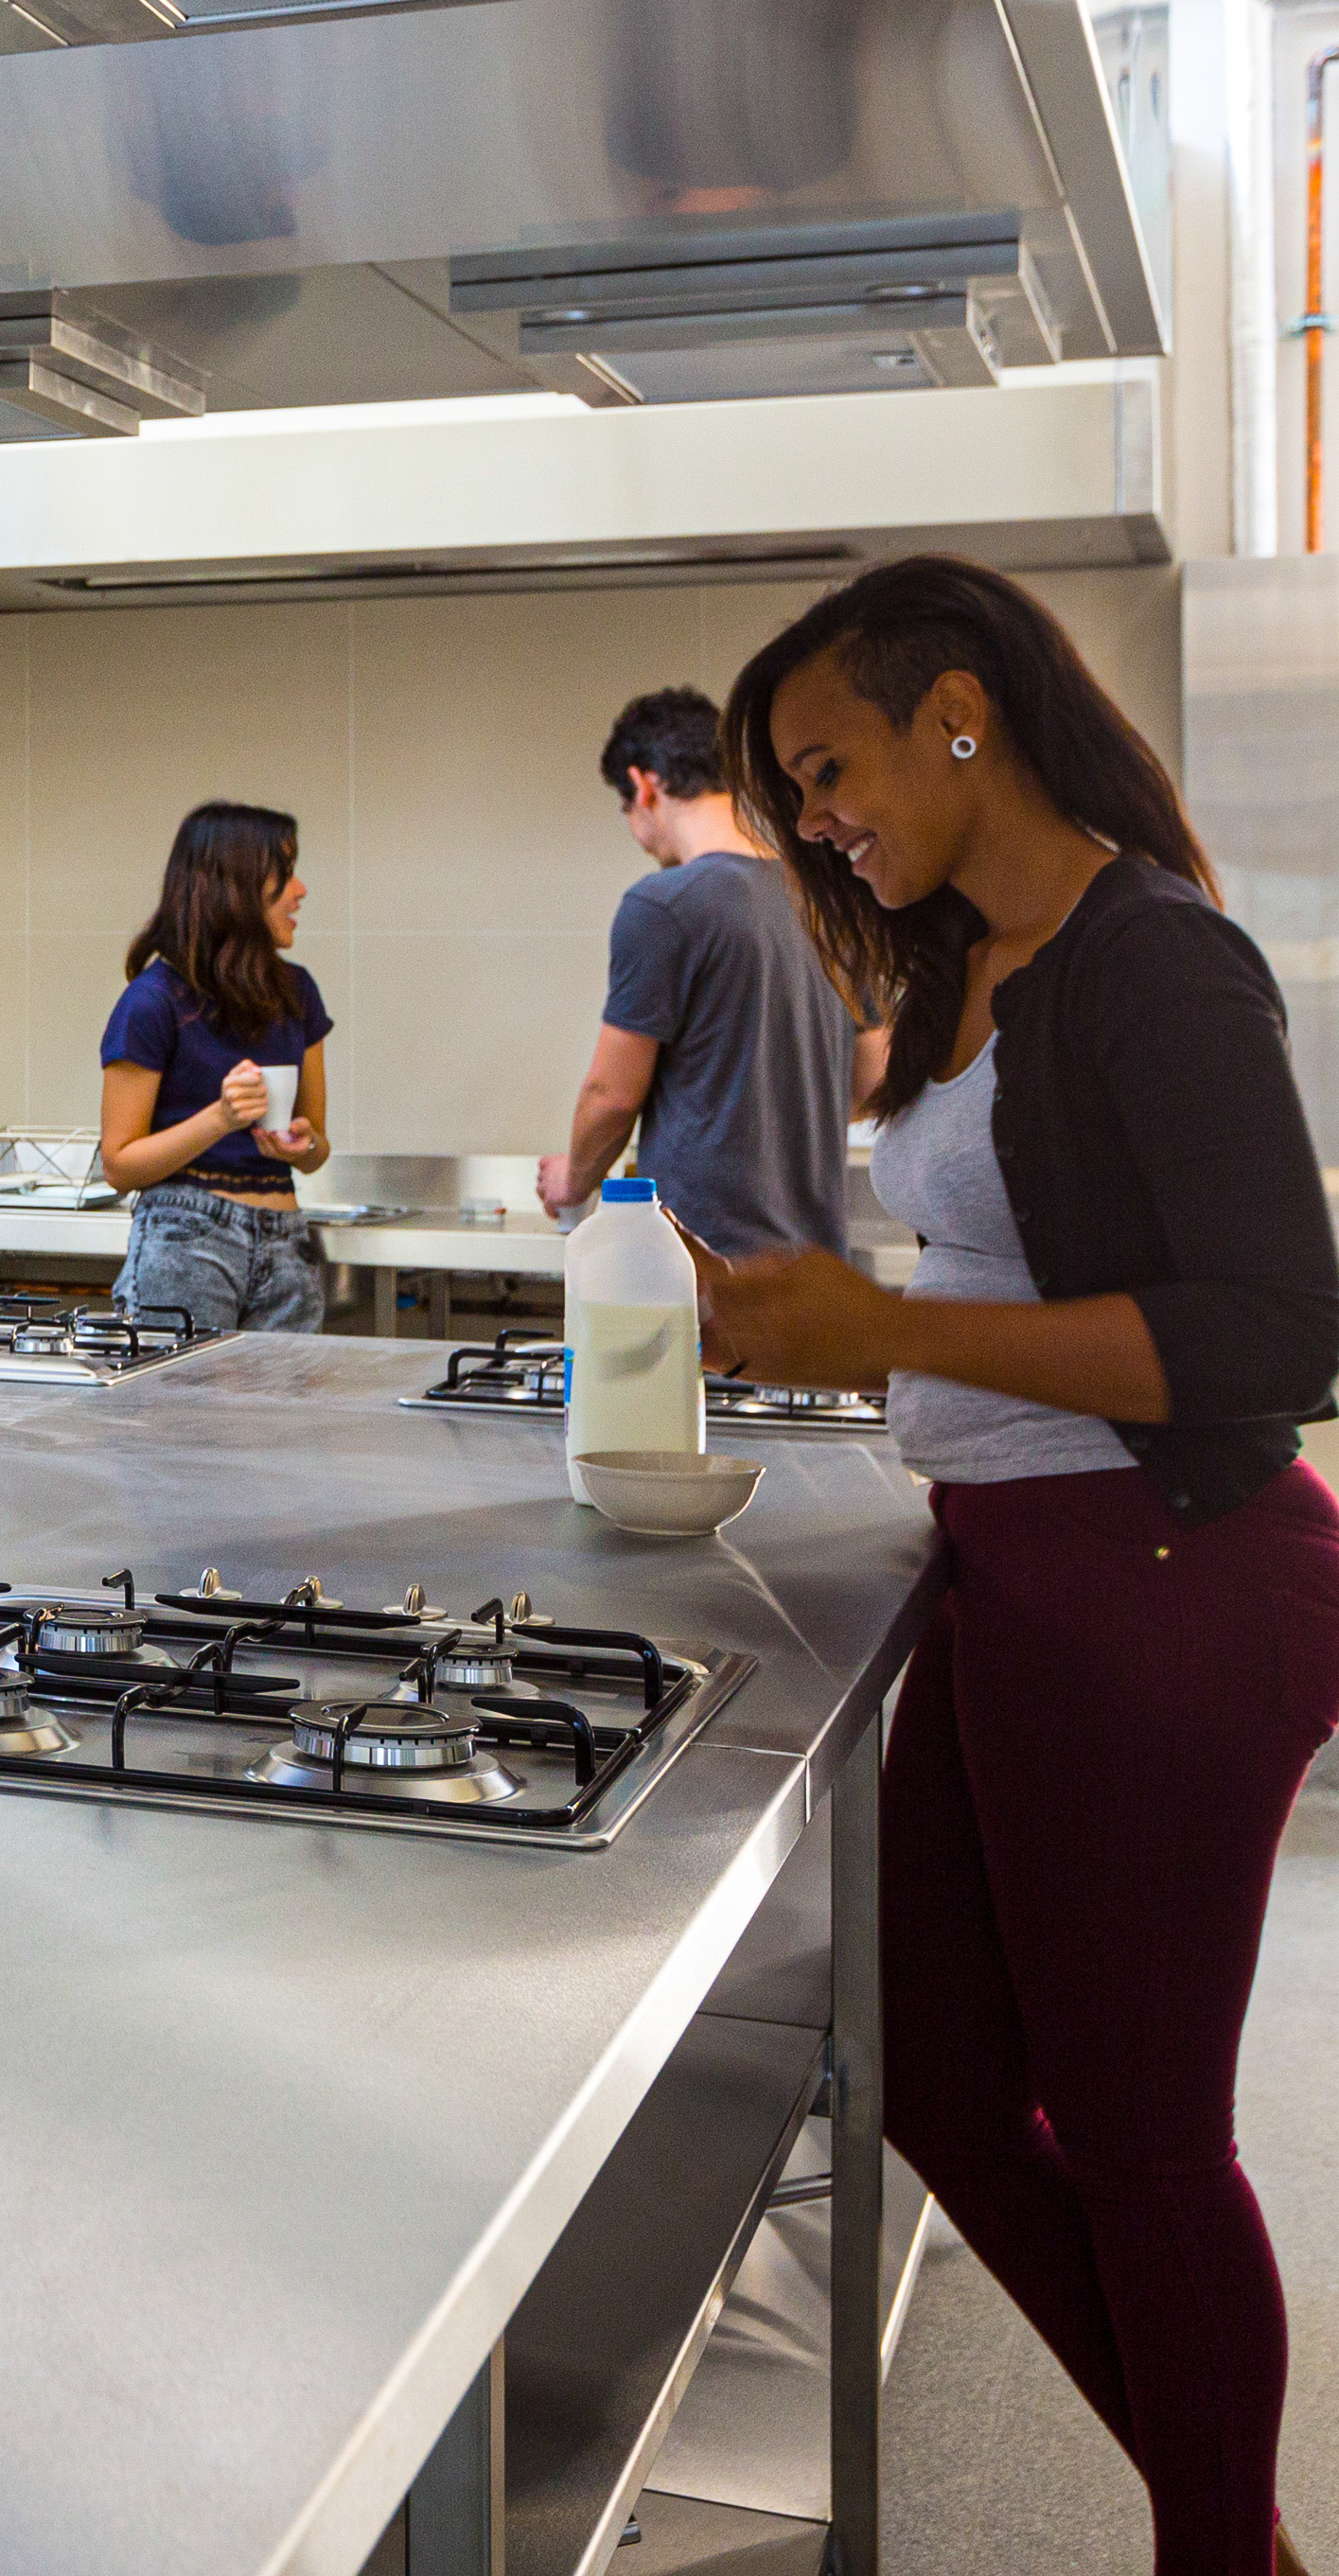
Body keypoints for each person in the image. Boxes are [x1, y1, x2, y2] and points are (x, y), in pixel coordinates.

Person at [699, 556, 1336, 2576]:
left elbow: (1270, 1331)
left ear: (955, 712)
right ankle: (1219, 2517)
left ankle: (1213, 2549)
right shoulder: (964, 959)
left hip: (1161, 1584)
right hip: (1027, 1574)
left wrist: (874, 1334)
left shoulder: (1154, 955)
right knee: (938, 2073)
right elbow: (1014, 1248)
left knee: (1141, 2145)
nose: (814, 817)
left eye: (826, 767)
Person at [536, 683, 872, 1252]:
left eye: (625, 808)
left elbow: (611, 1097)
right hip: (818, 1268)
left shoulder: (664, 904)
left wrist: (574, 1178)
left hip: (706, 1266)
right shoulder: (829, 900)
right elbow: (874, 1075)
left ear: (644, 785)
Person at [97, 802, 333, 1333]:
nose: (301, 891)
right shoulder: (153, 1000)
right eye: (286, 872)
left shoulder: (298, 992)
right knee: (181, 1417)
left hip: (286, 1241)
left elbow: (317, 1147)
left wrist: (303, 1144)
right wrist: (220, 1120)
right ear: (239, 886)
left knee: (284, 1418)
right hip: (186, 1242)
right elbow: (118, 1164)